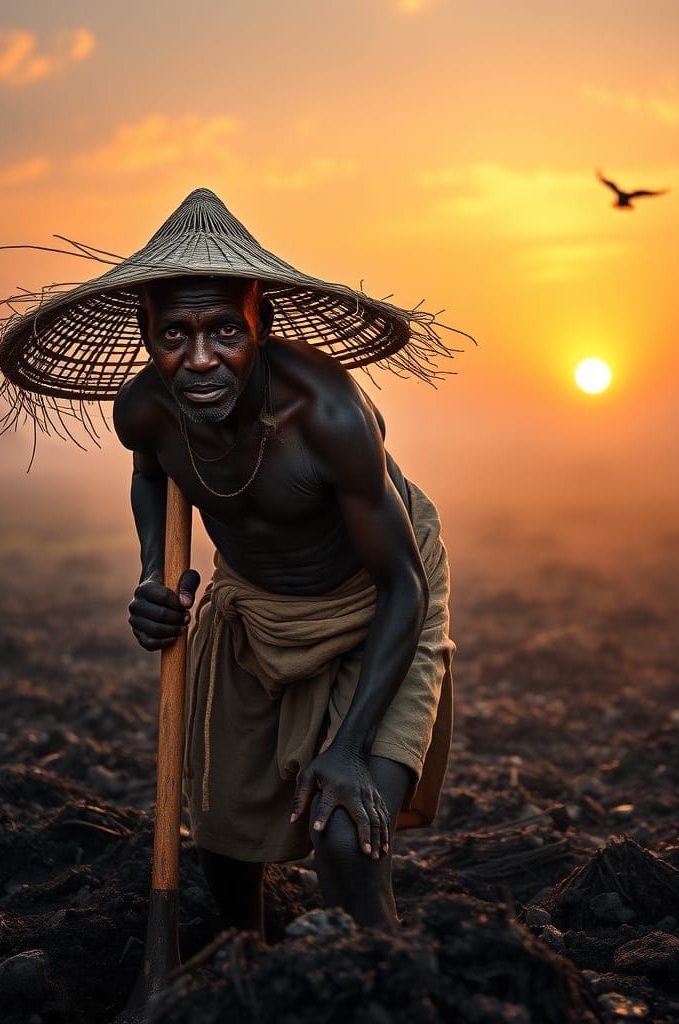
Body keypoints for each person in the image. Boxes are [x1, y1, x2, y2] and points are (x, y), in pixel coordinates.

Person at [113, 272, 456, 936]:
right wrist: (155, 574)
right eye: (175, 334)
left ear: (262, 325)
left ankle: (379, 977)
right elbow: (150, 479)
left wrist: (351, 747)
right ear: (147, 336)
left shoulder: (326, 414)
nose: (202, 357)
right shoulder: (143, 410)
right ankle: (252, 962)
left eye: (226, 331)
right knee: (221, 825)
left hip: (375, 602)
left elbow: (403, 586)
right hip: (253, 602)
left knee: (345, 829)